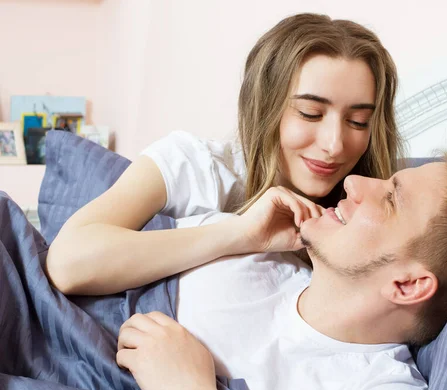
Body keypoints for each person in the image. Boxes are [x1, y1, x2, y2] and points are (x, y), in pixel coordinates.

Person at [114, 140, 447, 390]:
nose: (355, 183)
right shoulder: (242, 250)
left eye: (389, 199)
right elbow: (67, 271)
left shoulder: (378, 389)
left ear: (407, 285)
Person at [45, 12, 402, 295]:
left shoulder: (375, 206)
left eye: (358, 121)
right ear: (264, 108)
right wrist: (240, 234)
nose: (335, 144)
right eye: (310, 113)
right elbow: (69, 263)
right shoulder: (196, 165)